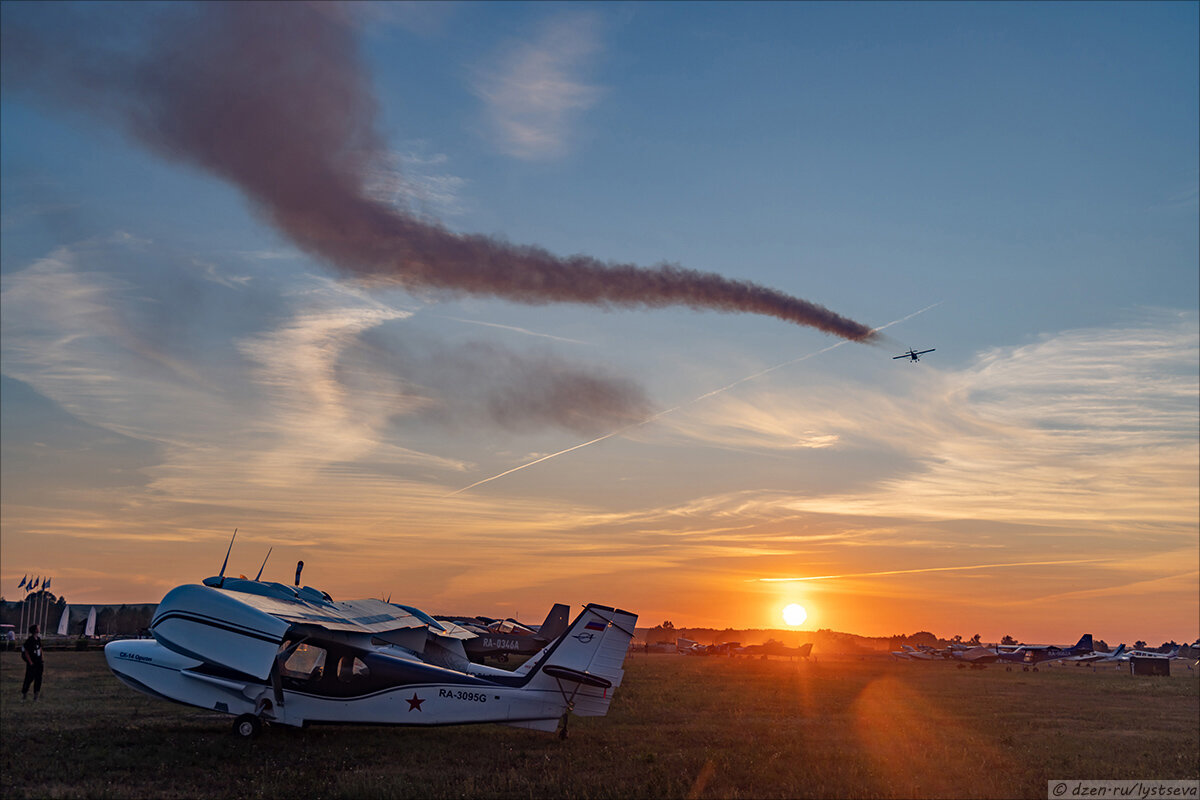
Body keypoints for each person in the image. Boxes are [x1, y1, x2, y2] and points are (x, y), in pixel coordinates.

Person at [21, 624, 44, 701]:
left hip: (39, 662)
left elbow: (40, 648)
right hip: (32, 663)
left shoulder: (38, 639)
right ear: (35, 630)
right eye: (38, 627)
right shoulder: (30, 640)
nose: (39, 629)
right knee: (29, 678)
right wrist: (30, 662)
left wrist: (42, 658)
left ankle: (36, 696)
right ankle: (24, 694)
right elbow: (26, 652)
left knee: (38, 679)